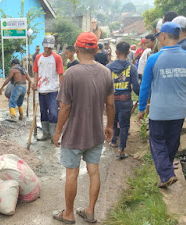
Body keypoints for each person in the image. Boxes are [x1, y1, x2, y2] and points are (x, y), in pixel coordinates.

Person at [52, 31, 115, 224]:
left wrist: (57, 131)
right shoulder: (106, 72)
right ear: (95, 49)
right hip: (95, 133)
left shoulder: (71, 73)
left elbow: (65, 107)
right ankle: (90, 211)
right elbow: (110, 105)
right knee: (94, 170)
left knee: (72, 173)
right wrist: (110, 126)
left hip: (73, 135)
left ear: (77, 49)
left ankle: (69, 214)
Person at [137, 22, 186, 188]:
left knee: (157, 142)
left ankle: (167, 174)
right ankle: (165, 175)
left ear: (163, 36)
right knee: (172, 143)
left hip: (159, 112)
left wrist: (141, 108)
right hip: (178, 111)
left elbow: (145, 86)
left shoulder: (154, 59)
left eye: (158, 37)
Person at [107, 42, 140, 159]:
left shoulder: (109, 68)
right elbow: (136, 87)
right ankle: (121, 149)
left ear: (116, 52)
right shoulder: (132, 68)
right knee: (125, 125)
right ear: (128, 53)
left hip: (112, 101)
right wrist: (142, 95)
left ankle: (114, 140)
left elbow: (105, 86)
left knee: (113, 120)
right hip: (125, 101)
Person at [32, 35, 64, 142]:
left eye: (50, 47)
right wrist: (34, 82)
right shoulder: (38, 58)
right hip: (41, 90)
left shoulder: (57, 58)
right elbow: (36, 72)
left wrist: (62, 91)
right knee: (43, 112)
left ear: (53, 46)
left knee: (54, 113)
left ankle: (53, 135)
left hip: (53, 90)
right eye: (46, 47)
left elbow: (60, 74)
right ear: (43, 46)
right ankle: (45, 134)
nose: (48, 49)